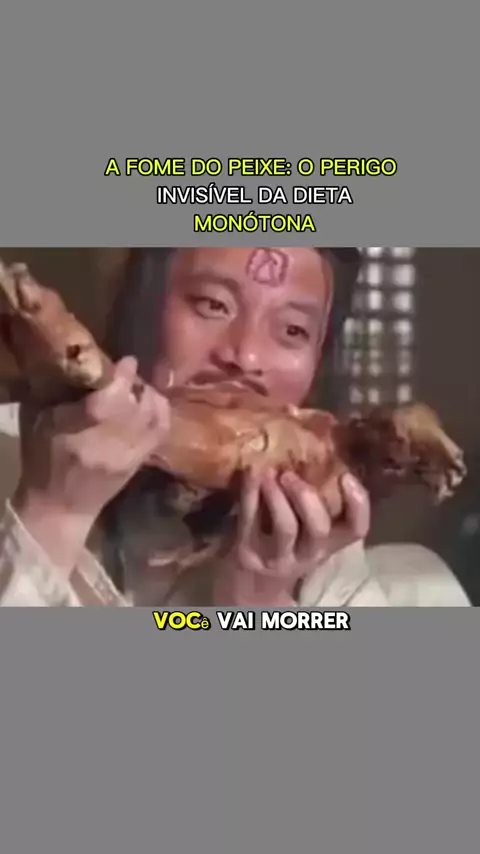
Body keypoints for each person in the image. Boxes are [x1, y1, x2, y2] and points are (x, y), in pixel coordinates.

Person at [0, 247, 470, 606]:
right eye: (212, 304)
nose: (245, 357)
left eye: (293, 330)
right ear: (134, 307)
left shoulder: (365, 580)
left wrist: (260, 607)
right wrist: (52, 517)